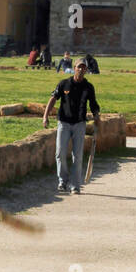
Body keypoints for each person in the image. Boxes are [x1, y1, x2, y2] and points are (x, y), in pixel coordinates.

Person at [42, 57, 100, 194]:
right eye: (79, 67)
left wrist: (96, 115)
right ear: (74, 68)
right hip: (64, 123)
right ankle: (62, 181)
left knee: (77, 155)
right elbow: (53, 99)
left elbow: (93, 104)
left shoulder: (88, 87)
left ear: (86, 70)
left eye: (84, 67)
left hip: (79, 123)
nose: (81, 69)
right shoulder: (64, 84)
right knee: (60, 153)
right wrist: (45, 116)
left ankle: (75, 185)